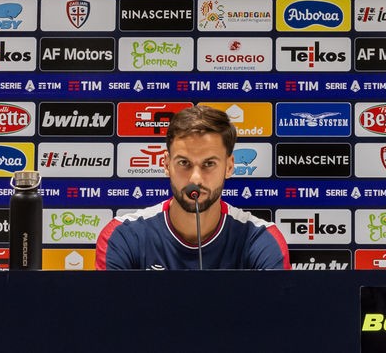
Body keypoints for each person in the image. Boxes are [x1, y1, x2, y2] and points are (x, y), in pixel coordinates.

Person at [96, 105, 289, 270]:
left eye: (209, 164)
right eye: (184, 163)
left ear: (229, 167)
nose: (195, 178)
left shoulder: (262, 240)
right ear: (166, 164)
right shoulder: (123, 236)